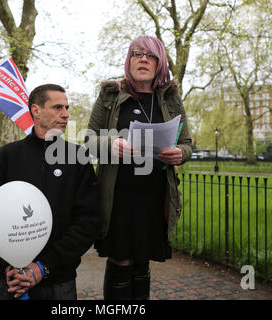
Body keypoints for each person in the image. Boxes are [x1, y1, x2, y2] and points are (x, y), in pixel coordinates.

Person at [0, 84, 100, 300]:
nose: (66, 114)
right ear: (36, 111)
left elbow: (89, 221)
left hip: (59, 282)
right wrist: (5, 265)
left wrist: (43, 267)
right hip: (12, 283)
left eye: (67, 108)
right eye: (58, 107)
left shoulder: (77, 158)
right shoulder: (7, 157)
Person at [86, 35, 192, 300]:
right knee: (121, 260)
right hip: (118, 197)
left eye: (150, 55)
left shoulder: (170, 99)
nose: (143, 59)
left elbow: (188, 143)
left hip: (154, 197)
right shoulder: (110, 95)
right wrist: (111, 144)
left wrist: (180, 153)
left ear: (160, 63)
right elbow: (88, 140)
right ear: (129, 60)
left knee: (142, 261)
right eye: (137, 53)